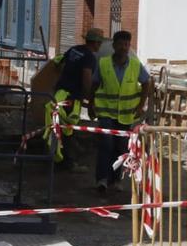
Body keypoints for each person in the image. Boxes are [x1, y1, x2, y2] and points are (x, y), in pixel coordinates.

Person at [92, 30, 150, 192]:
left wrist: (140, 106)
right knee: (106, 144)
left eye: (127, 44)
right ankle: (102, 179)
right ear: (114, 46)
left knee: (121, 147)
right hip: (106, 113)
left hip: (126, 115)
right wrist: (91, 104)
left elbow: (146, 83)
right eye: (121, 44)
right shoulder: (103, 63)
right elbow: (94, 84)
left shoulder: (134, 65)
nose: (124, 48)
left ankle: (116, 180)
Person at [45, 28, 104, 167]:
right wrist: (88, 99)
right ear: (95, 43)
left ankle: (57, 158)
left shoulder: (74, 49)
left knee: (58, 126)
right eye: (99, 43)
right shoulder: (89, 57)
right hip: (71, 97)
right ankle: (68, 162)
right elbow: (87, 78)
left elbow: (59, 63)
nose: (100, 46)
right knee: (68, 129)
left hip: (59, 93)